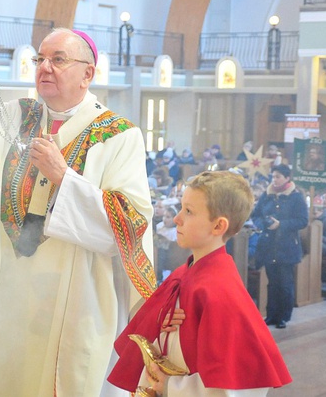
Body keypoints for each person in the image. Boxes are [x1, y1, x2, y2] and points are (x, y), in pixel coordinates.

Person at [0, 8, 155, 395]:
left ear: (88, 74)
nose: (45, 68)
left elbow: (131, 221)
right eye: (40, 59)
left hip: (73, 294)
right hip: (8, 291)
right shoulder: (17, 115)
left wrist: (63, 178)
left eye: (58, 60)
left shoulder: (120, 135)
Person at [108, 171, 292, 395]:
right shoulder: (184, 273)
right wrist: (160, 322)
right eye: (181, 208)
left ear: (218, 227)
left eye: (188, 211)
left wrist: (169, 386)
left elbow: (235, 387)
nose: (177, 219)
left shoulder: (219, 292)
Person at [250, 164, 308, 329]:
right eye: (273, 177)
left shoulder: (295, 197)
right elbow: (256, 215)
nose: (274, 180)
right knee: (272, 282)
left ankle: (283, 317)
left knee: (285, 283)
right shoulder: (267, 195)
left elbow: (302, 221)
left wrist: (281, 224)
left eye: (278, 177)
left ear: (287, 178)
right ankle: (271, 315)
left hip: (286, 246)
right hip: (269, 245)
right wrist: (264, 224)